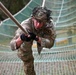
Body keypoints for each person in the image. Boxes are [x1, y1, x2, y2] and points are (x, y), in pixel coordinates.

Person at [10, 6, 56, 75]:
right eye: (37, 21)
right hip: (26, 40)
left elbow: (50, 44)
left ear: (46, 21)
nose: (38, 25)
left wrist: (37, 38)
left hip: (41, 35)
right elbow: (12, 46)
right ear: (33, 18)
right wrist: (21, 38)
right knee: (27, 60)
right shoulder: (25, 26)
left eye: (41, 22)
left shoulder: (49, 25)